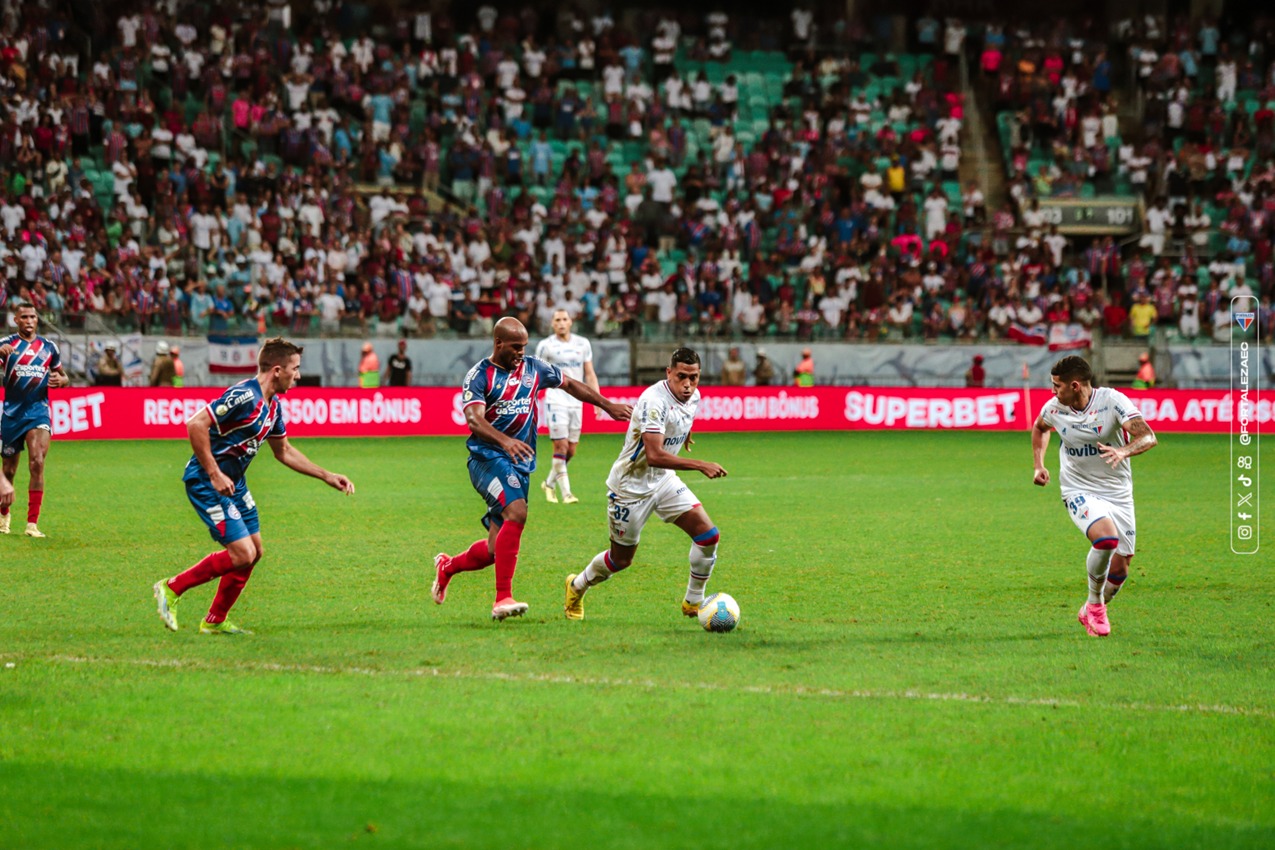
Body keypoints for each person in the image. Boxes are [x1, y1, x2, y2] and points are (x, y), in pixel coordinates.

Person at [152, 337, 355, 636]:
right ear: (276, 370)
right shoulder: (244, 396)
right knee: (242, 554)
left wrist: (326, 475)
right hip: (207, 481)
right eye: (295, 369)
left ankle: (215, 620)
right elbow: (195, 424)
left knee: (255, 551)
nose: (298, 375)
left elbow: (283, 451)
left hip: (235, 484)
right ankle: (171, 588)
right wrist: (213, 473)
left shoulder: (273, 408)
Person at [432, 317, 631, 620]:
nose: (520, 353)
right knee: (518, 512)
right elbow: (474, 420)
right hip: (487, 459)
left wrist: (606, 405)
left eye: (524, 347)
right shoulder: (479, 376)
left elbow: (572, 384)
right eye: (515, 347)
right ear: (498, 343)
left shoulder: (533, 368)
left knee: (493, 550)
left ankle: (447, 567)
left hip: (519, 464)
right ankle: (502, 599)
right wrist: (505, 441)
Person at [564, 347, 729, 621]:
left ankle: (694, 601)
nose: (688, 384)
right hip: (630, 487)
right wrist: (701, 464)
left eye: (694, 377)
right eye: (682, 377)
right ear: (669, 373)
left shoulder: (694, 396)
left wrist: (684, 435)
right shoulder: (654, 400)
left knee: (708, 536)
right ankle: (577, 585)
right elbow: (653, 456)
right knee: (621, 560)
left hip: (663, 481)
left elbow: (681, 418)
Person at [1031, 355, 1158, 638]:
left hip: (1117, 491)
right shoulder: (1054, 408)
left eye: (1057, 386)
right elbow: (1040, 428)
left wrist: (1124, 451)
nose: (1053, 392)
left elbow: (1148, 436)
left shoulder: (1112, 401)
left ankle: (1091, 608)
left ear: (1075, 385)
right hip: (1078, 488)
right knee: (1106, 538)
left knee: (1121, 567)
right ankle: (1096, 605)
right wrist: (1039, 464)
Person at [0, 303, 71, 537]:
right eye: (25, 317)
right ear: (16, 320)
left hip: (38, 411)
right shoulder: (6, 345)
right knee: (8, 471)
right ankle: (4, 515)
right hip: (12, 414)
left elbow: (63, 375)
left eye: (33, 317)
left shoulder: (48, 348)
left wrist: (63, 381)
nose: (30, 320)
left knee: (37, 461)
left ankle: (32, 523)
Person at [534, 309, 599, 505]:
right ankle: (567, 494)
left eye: (564, 319)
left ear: (571, 322)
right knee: (560, 446)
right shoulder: (545, 346)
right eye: (557, 320)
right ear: (552, 324)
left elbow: (589, 373)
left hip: (576, 402)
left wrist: (597, 399)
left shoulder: (583, 344)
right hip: (555, 400)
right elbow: (537, 374)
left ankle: (548, 483)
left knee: (570, 450)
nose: (561, 323)